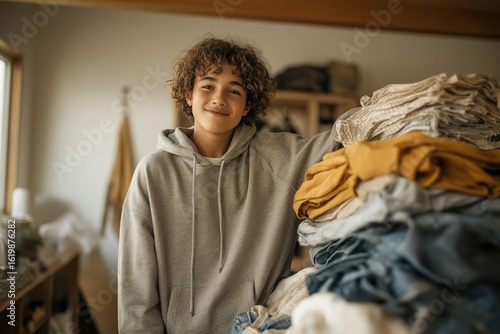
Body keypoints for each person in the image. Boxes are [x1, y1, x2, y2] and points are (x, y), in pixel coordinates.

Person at [118, 36, 350, 333]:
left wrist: (386, 105)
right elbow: (136, 287)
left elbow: (343, 138)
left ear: (246, 105)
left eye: (234, 90)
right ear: (188, 94)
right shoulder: (154, 172)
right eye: (208, 86)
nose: (219, 98)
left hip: (256, 327)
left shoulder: (280, 158)